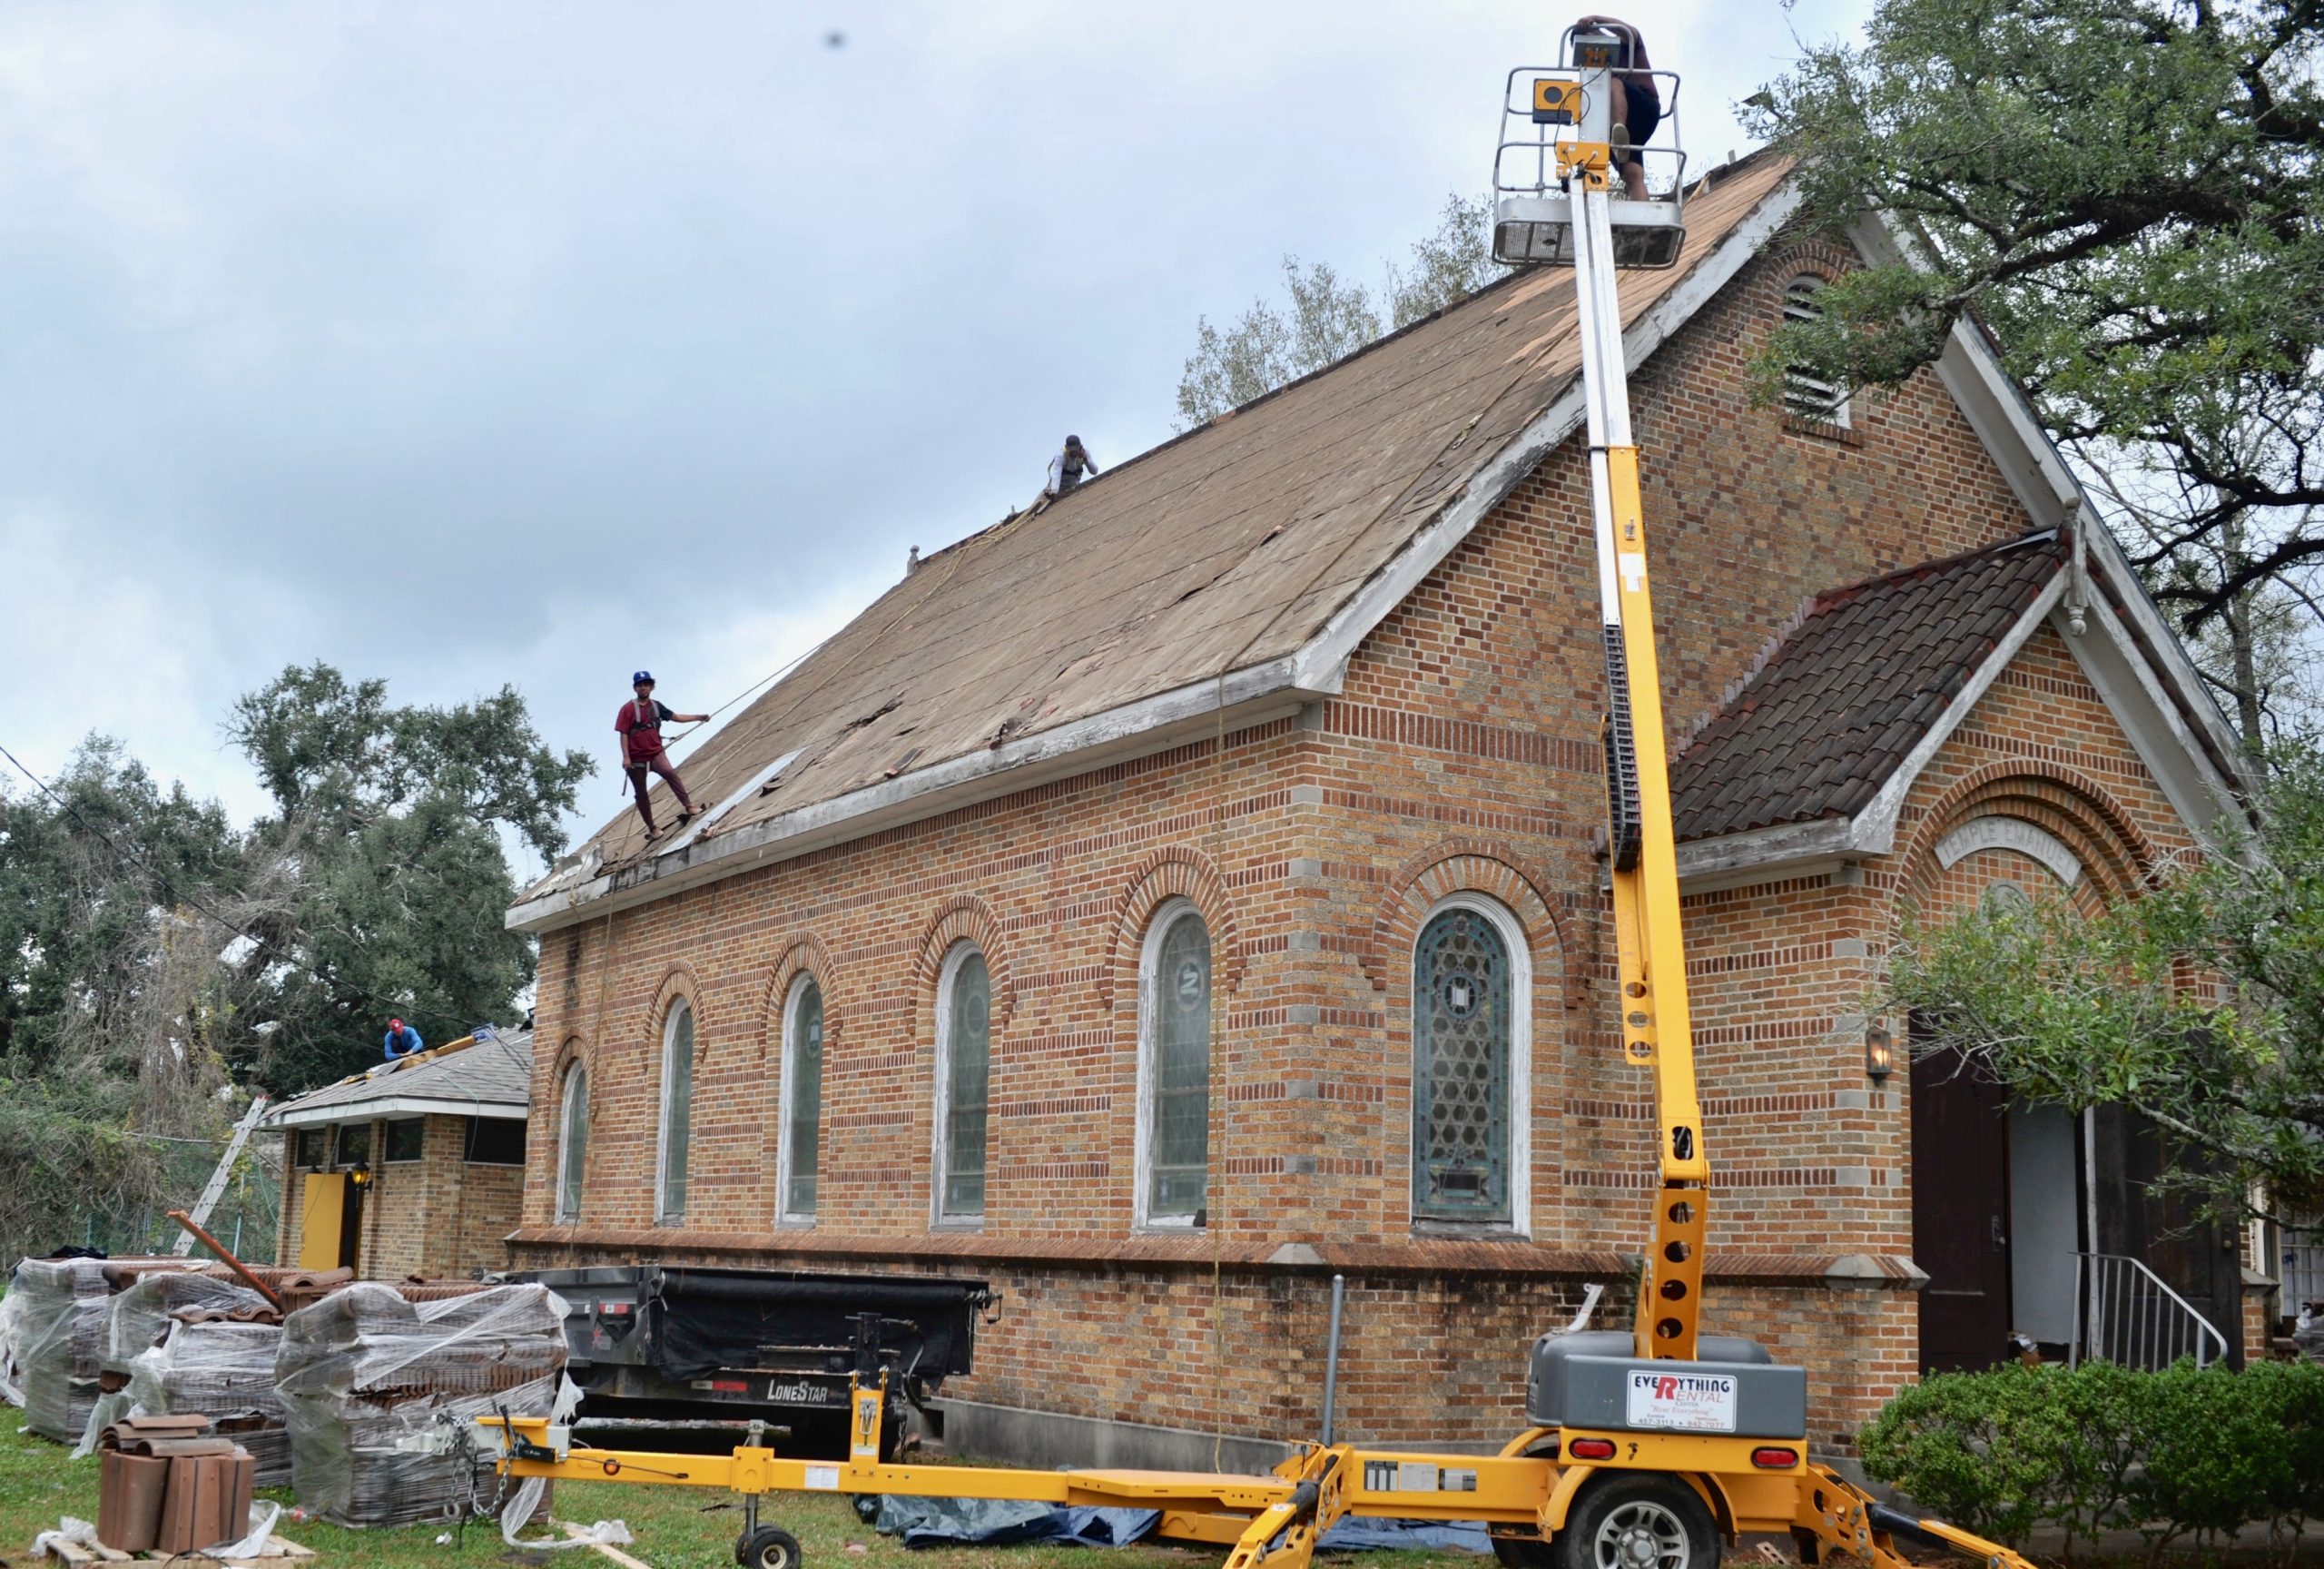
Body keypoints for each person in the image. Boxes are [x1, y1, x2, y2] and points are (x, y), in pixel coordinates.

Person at [617, 671, 710, 841]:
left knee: (669, 773)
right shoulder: (628, 709)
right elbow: (623, 733)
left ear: (651, 687)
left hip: (655, 752)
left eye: (646, 685)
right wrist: (626, 757)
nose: (643, 688)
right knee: (641, 793)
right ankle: (652, 828)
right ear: (635, 688)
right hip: (636, 758)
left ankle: (689, 806)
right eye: (640, 685)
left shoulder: (656, 706)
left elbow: (676, 717)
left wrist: (698, 717)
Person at [1574, 15, 1658, 199]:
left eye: (1593, 36)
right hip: (1618, 123)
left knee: (1613, 84)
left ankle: (1618, 131)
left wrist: (1597, 19)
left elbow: (1632, 33)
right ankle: (1641, 216)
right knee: (1632, 175)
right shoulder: (1594, 76)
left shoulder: (1627, 45)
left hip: (1643, 106)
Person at [1043, 435, 1099, 499]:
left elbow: (1095, 471)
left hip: (1072, 485)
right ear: (1067, 447)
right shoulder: (1061, 455)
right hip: (1057, 485)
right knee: (1041, 499)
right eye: (1072, 450)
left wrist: (1086, 460)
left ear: (1080, 446)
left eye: (1076, 449)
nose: (1074, 452)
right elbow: (1056, 475)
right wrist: (1053, 491)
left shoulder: (1085, 452)